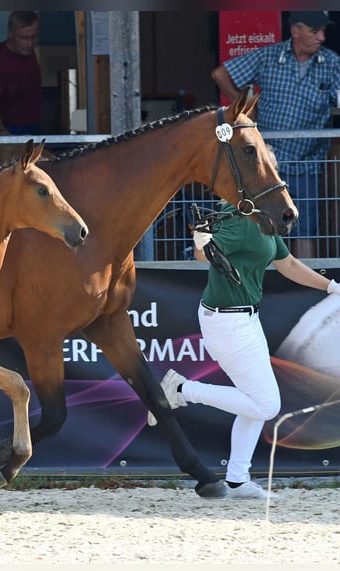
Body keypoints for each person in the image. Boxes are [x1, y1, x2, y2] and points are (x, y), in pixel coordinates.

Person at [147, 200, 340, 499]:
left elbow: (286, 263)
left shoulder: (265, 220)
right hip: (228, 322)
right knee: (266, 405)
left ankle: (237, 479)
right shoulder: (237, 222)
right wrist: (201, 239)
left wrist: (331, 287)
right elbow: (203, 257)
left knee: (253, 401)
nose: (280, 187)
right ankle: (183, 390)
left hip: (246, 319)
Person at [211, 11, 340, 259]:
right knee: (266, 225)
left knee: (306, 228)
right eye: (315, 32)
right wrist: (245, 107)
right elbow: (220, 74)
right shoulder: (269, 56)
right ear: (296, 31)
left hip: (308, 162)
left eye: (324, 31)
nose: (322, 38)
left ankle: (305, 285)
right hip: (268, 160)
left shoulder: (332, 63)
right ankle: (267, 278)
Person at [0, 11, 42, 136]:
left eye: (33, 37)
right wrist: (2, 132)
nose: (30, 44)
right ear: (10, 34)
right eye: (24, 38)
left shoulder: (29, 53)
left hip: (32, 127)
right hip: (8, 129)